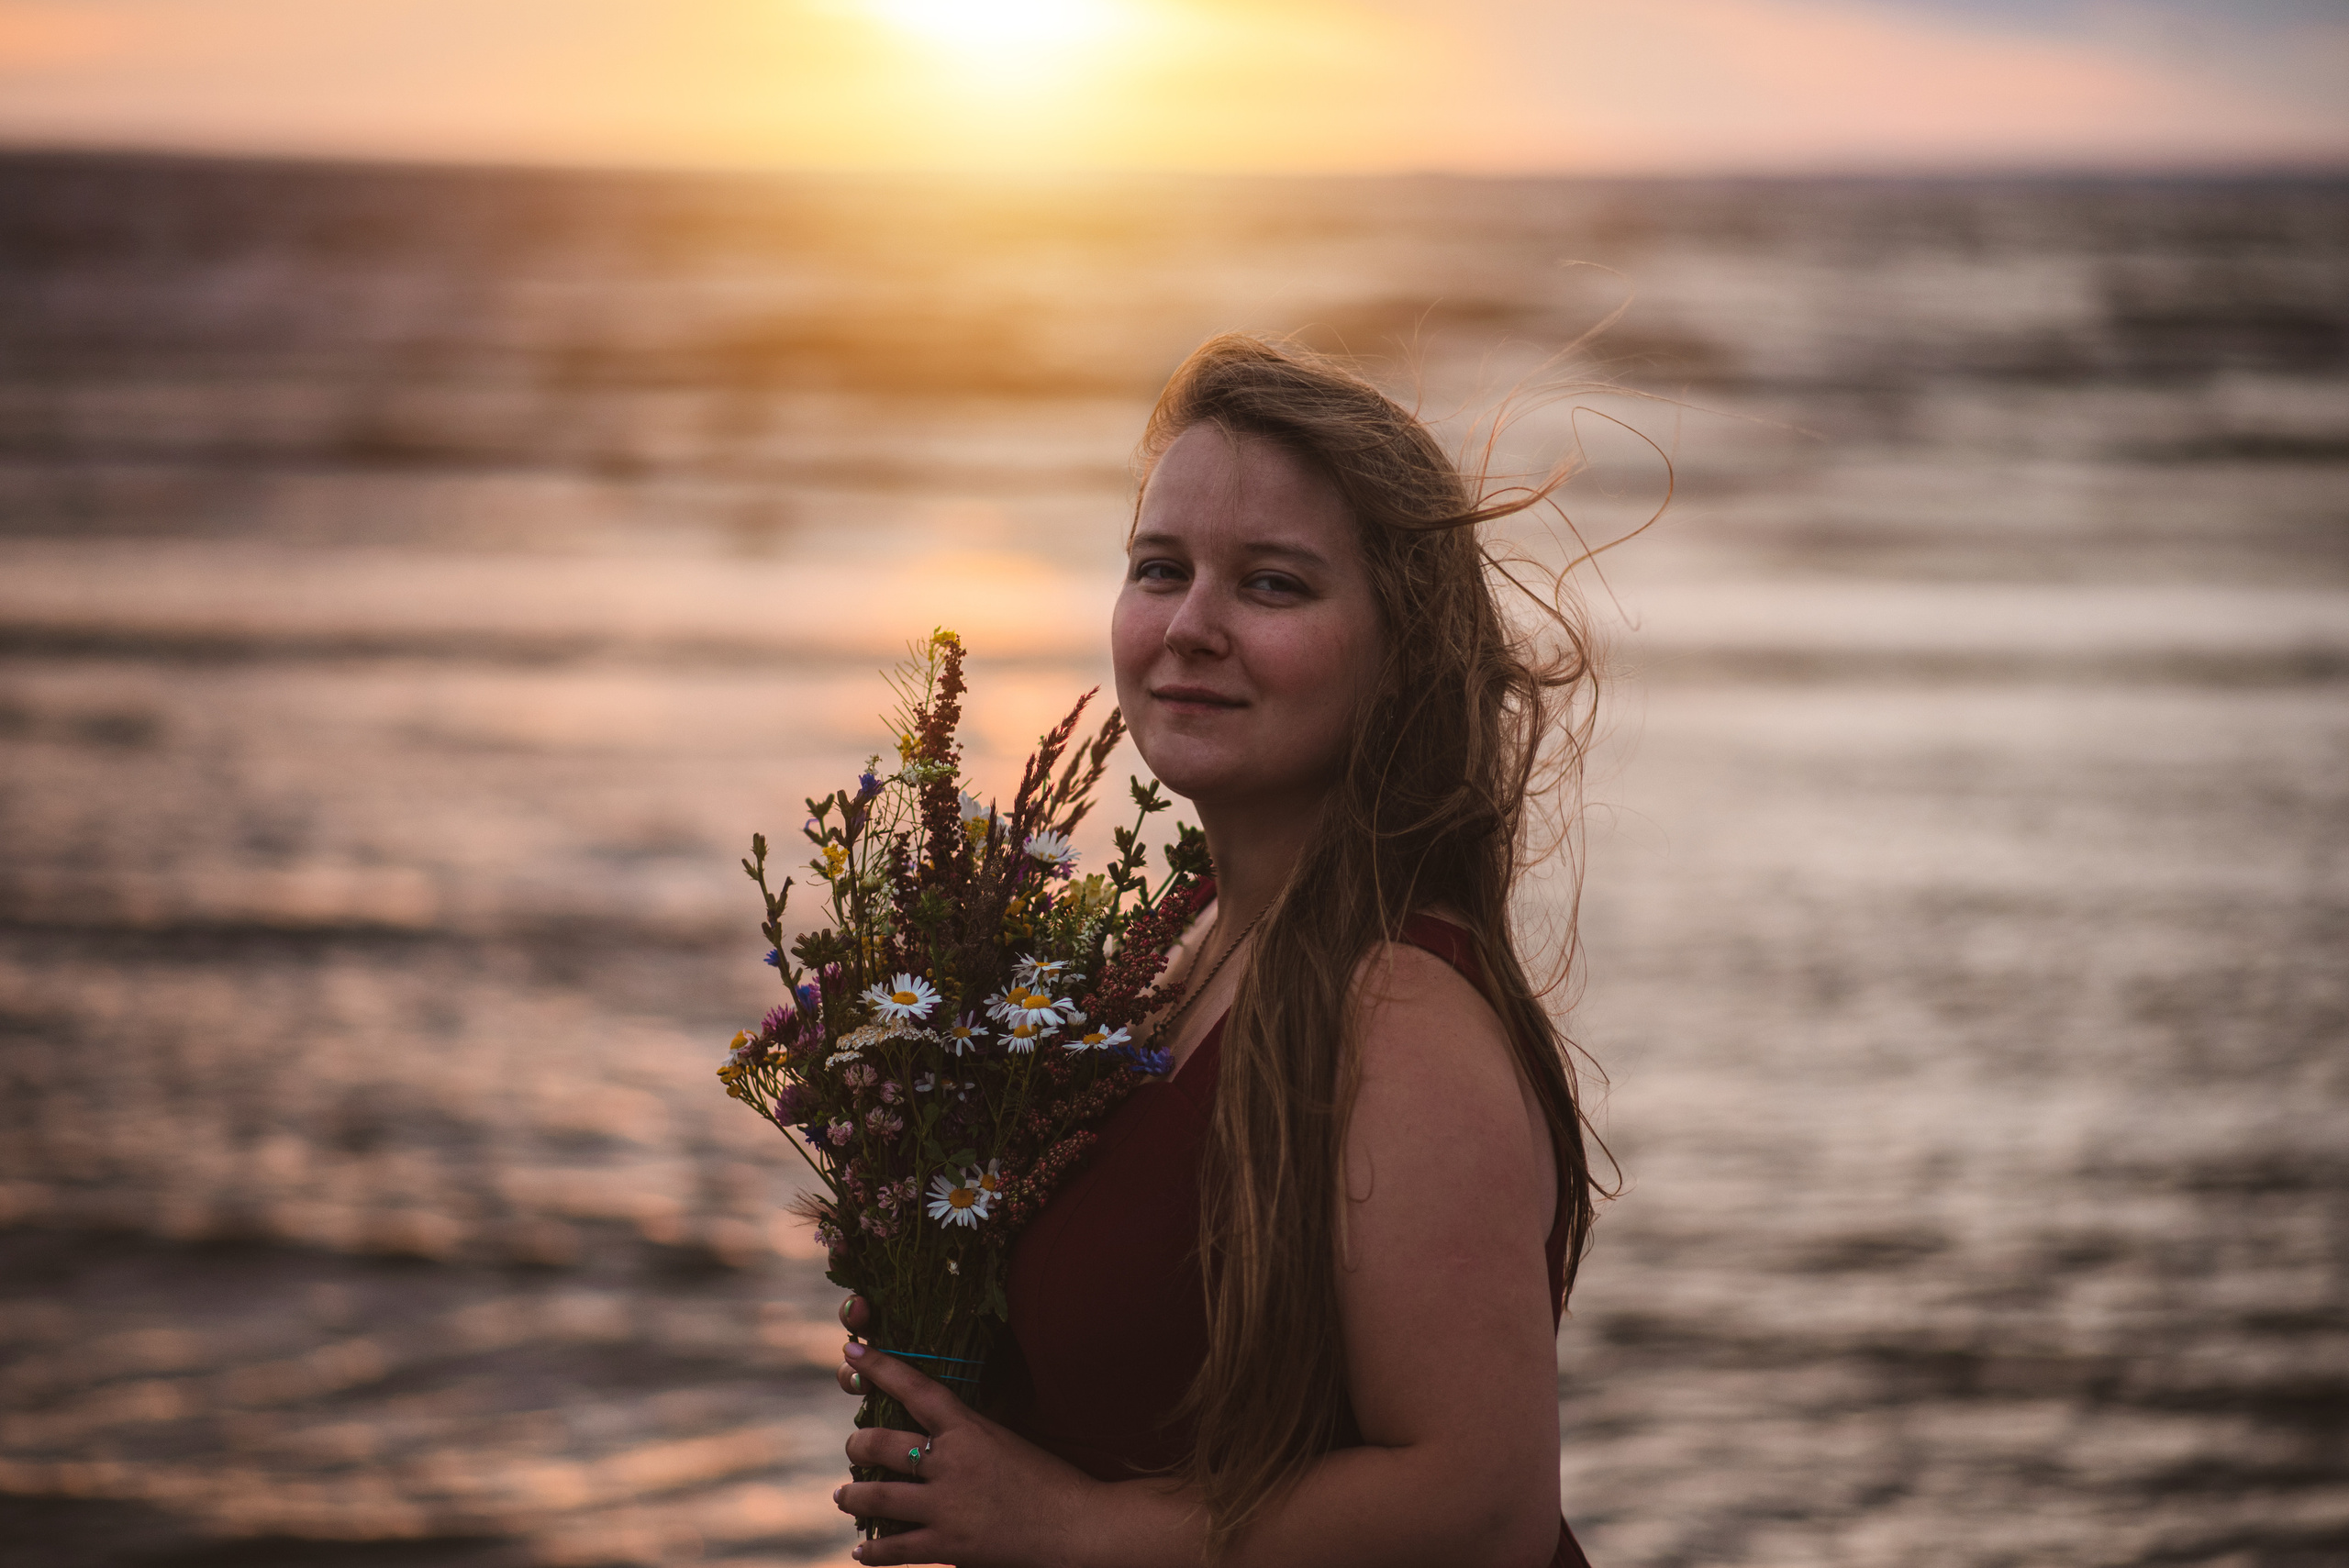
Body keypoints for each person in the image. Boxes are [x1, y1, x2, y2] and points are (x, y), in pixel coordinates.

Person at [830, 334, 1608, 1567]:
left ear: (1399, 648)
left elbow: (1483, 1507)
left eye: (1273, 584)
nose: (1190, 624)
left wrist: (1070, 1524)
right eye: (1160, 567)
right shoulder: (1169, 959)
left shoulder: (1397, 1009)